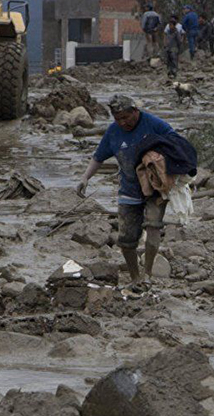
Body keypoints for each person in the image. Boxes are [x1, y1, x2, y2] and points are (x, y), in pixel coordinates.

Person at [76, 95, 176, 287]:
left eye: (126, 118)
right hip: (129, 189)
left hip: (155, 188)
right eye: (118, 119)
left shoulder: (153, 124)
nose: (123, 122)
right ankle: (134, 278)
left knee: (153, 226)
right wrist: (85, 178)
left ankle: (147, 275)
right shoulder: (114, 132)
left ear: (135, 112)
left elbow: (176, 142)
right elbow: (99, 157)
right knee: (126, 239)